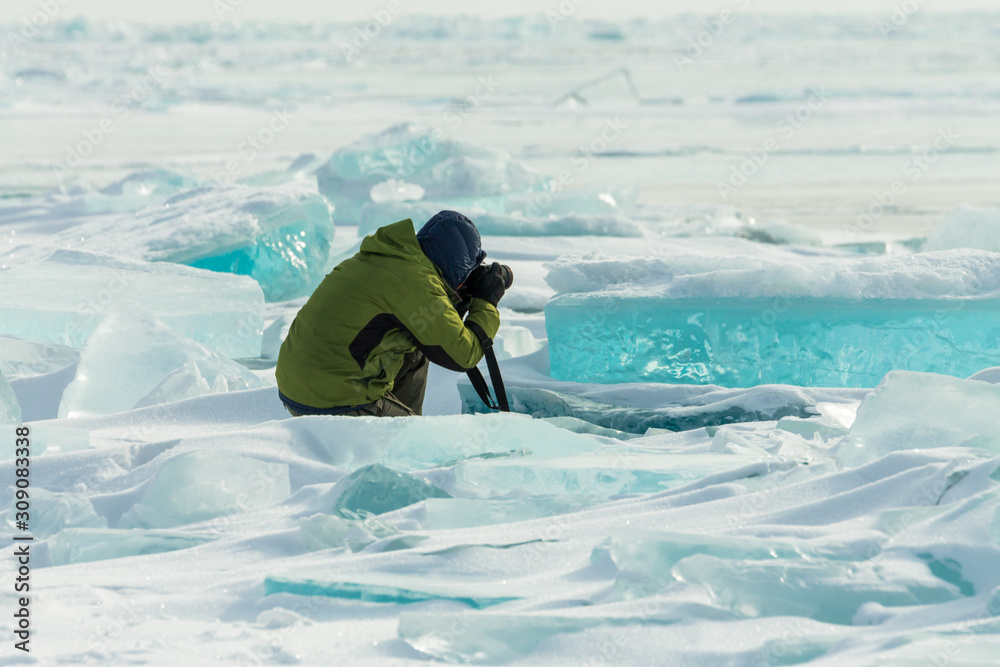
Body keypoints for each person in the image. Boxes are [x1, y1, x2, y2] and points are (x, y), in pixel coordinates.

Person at [276, 210, 512, 417]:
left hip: (297, 385)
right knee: (414, 446)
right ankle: (396, 431)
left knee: (419, 348)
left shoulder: (388, 258)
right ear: (457, 265)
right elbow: (464, 355)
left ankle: (396, 412)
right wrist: (486, 301)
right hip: (332, 399)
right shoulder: (416, 282)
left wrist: (457, 298)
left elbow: (432, 326)